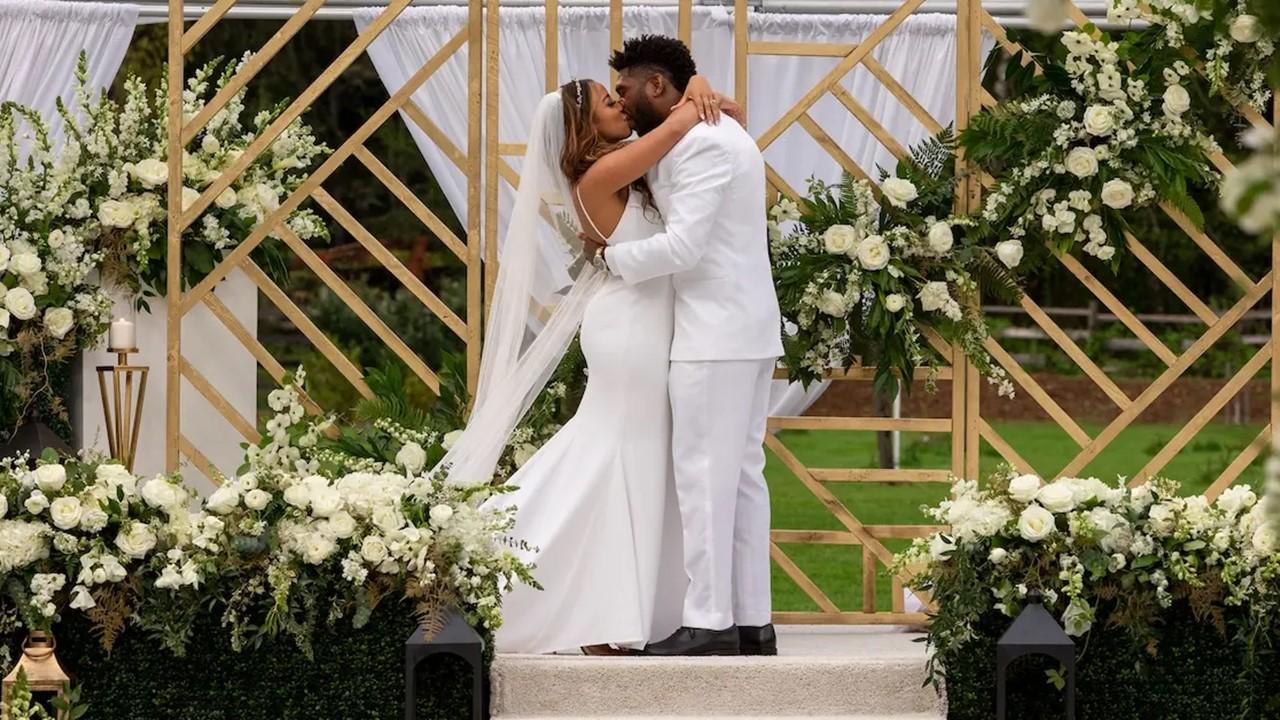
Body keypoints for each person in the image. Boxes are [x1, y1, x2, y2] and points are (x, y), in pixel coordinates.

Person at [475, 71, 743, 655]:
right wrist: (693, 84)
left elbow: (730, 114)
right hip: (628, 330)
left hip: (651, 326)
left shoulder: (625, 164)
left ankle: (619, 611)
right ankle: (525, 580)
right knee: (616, 455)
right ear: (583, 125)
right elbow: (682, 120)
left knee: (639, 461)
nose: (621, 103)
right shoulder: (598, 176)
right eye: (607, 100)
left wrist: (697, 83)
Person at [586, 35, 784, 657]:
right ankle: (754, 621)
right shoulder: (720, 131)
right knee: (745, 477)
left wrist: (610, 260)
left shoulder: (701, 143)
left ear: (656, 88)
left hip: (714, 335)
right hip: (746, 330)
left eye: (624, 90)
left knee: (703, 476)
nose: (619, 99)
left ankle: (709, 621)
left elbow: (683, 249)